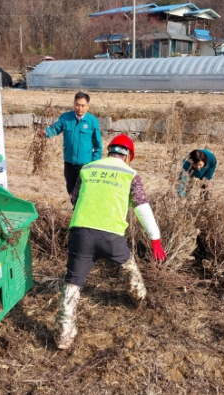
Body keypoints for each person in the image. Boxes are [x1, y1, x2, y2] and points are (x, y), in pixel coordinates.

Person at [54, 134, 167, 350]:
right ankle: (138, 299)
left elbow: (75, 198)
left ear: (109, 151)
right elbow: (142, 208)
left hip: (81, 233)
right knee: (129, 268)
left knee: (72, 283)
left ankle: (63, 336)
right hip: (111, 236)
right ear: (128, 156)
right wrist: (155, 240)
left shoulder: (87, 168)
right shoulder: (130, 175)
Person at [39, 92, 102, 195]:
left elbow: (98, 146)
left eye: (83, 105)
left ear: (88, 107)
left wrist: (94, 163)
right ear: (74, 104)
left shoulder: (92, 121)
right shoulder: (65, 118)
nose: (79, 108)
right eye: (77, 105)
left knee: (84, 191)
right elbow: (55, 128)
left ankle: (80, 210)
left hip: (86, 164)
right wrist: (46, 133)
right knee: (71, 190)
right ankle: (75, 208)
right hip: (69, 163)